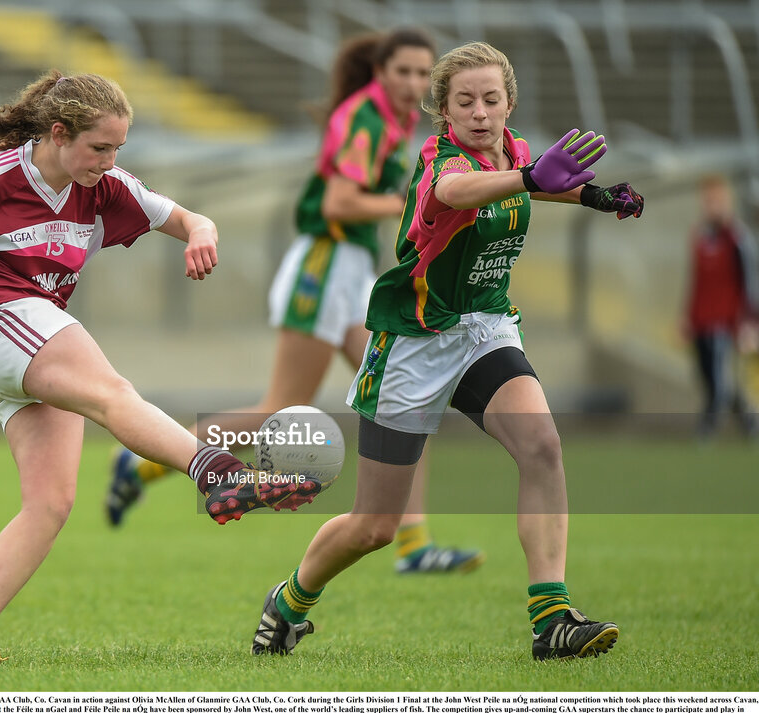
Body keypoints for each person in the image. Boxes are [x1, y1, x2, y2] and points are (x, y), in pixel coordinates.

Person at [0, 70, 324, 665]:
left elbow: (188, 218)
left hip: (28, 342)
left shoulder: (105, 185)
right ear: (57, 132)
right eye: (99, 148)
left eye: (119, 148)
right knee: (111, 392)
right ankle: (218, 473)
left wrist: (202, 232)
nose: (110, 160)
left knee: (49, 505)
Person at [250, 41, 646, 661]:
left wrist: (595, 196)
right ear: (444, 111)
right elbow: (463, 193)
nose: (481, 111)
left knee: (541, 446)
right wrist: (532, 177)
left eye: (492, 99)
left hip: (484, 328)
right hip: (414, 343)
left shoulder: (515, 152)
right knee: (375, 527)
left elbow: (533, 181)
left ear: (509, 102)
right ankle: (290, 601)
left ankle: (551, 618)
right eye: (465, 101)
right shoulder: (442, 161)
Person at [105, 28, 485, 573]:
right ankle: (141, 463)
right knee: (279, 409)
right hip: (323, 268)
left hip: (351, 272)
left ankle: (414, 545)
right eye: (403, 71)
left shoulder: (392, 119)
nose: (414, 82)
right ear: (382, 74)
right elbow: (339, 201)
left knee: (405, 402)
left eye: (424, 73)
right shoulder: (366, 116)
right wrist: (411, 200)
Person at [684, 173, 759, 437]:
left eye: (715, 200)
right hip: (702, 322)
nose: (709, 206)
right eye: (706, 201)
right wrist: (688, 319)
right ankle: (750, 424)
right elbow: (696, 284)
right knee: (708, 376)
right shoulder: (701, 238)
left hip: (725, 322)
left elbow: (750, 283)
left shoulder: (737, 239)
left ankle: (706, 432)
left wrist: (750, 323)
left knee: (718, 380)